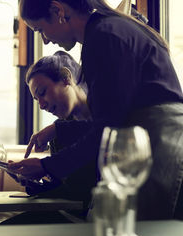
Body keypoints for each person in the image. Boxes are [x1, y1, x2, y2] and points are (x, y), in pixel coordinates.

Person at [9, 0, 183, 221]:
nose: (45, 39)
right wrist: (57, 132)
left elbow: (106, 129)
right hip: (155, 139)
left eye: (41, 29)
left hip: (157, 144)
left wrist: (47, 165)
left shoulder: (103, 37)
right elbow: (112, 118)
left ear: (58, 10)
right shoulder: (108, 30)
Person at [22, 51, 96, 211]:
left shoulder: (104, 111)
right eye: (37, 100)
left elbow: (100, 133)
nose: (41, 105)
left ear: (66, 78)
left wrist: (58, 129)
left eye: (42, 93)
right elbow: (70, 189)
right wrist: (36, 182)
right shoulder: (59, 132)